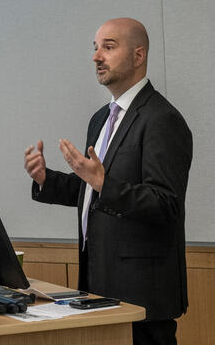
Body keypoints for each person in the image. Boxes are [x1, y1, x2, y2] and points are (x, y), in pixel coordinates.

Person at [24, 18, 192, 345]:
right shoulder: (101, 118)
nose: (96, 56)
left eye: (109, 47)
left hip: (142, 296)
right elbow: (93, 189)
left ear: (138, 55)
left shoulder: (162, 120)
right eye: (96, 47)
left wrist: (104, 183)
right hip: (99, 286)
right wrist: (47, 180)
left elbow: (165, 204)